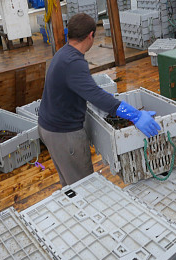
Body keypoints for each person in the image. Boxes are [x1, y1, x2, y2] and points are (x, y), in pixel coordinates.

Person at [38, 13, 162, 186]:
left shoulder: (63, 53)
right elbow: (96, 96)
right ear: (90, 35)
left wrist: (107, 97)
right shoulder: (74, 62)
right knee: (83, 186)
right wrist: (135, 115)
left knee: (69, 183)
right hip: (64, 134)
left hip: (49, 128)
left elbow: (82, 88)